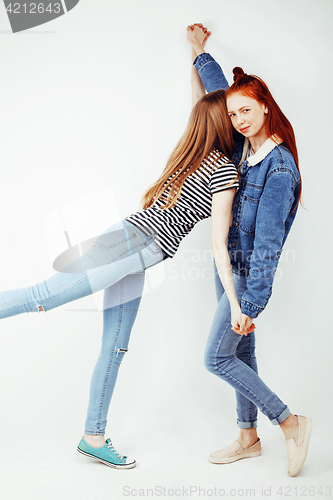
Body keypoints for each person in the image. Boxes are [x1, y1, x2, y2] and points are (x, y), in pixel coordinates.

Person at [0, 29, 240, 469]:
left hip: (137, 251)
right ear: (225, 124)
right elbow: (219, 246)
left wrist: (196, 53)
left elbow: (202, 102)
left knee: (115, 347)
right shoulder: (223, 169)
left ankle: (93, 436)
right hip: (131, 245)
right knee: (42, 297)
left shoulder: (193, 150)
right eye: (235, 115)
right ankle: (93, 433)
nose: (241, 120)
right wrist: (236, 298)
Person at [187, 24, 312, 477]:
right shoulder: (245, 145)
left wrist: (251, 305)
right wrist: (201, 54)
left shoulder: (278, 170)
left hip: (245, 277)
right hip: (228, 272)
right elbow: (223, 94)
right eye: (235, 113)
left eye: (247, 110)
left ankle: (290, 422)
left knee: (216, 358)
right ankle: (248, 438)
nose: (238, 119)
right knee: (240, 356)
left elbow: (269, 247)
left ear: (265, 106)